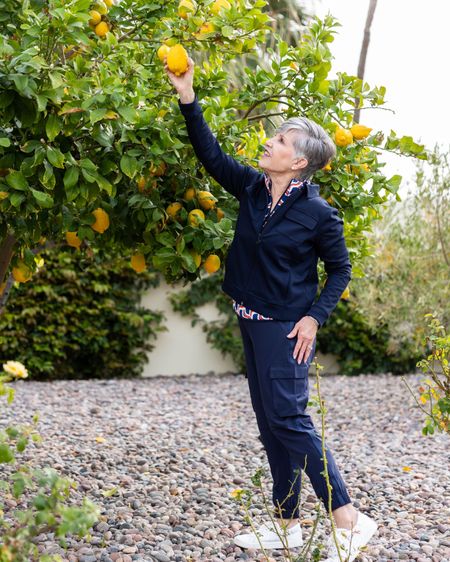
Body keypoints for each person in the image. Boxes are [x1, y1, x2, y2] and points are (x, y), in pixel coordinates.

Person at [165, 56, 377, 562]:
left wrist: (313, 317)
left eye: (280, 141)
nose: (269, 143)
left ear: (298, 161)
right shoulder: (255, 190)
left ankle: (347, 516)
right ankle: (287, 521)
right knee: (270, 423)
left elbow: (341, 271)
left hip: (286, 329)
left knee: (288, 419)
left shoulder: (319, 214)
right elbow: (211, 155)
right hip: (250, 318)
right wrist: (188, 97)